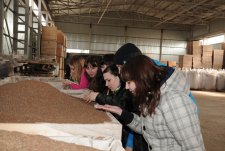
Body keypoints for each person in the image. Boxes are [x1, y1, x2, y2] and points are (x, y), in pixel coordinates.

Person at [95, 55, 205, 151]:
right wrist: (122, 113)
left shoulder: (174, 101)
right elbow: (146, 128)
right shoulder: (150, 98)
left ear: (141, 79)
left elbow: (194, 147)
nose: (127, 87)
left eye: (129, 82)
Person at [114, 43, 199, 113]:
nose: (119, 71)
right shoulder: (149, 72)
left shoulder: (160, 78)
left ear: (132, 64)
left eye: (120, 67)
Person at [84, 64, 134, 151]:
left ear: (118, 76)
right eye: (105, 81)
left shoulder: (127, 92)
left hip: (127, 139)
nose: (106, 84)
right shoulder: (112, 90)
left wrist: (98, 96)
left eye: (109, 80)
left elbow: (119, 104)